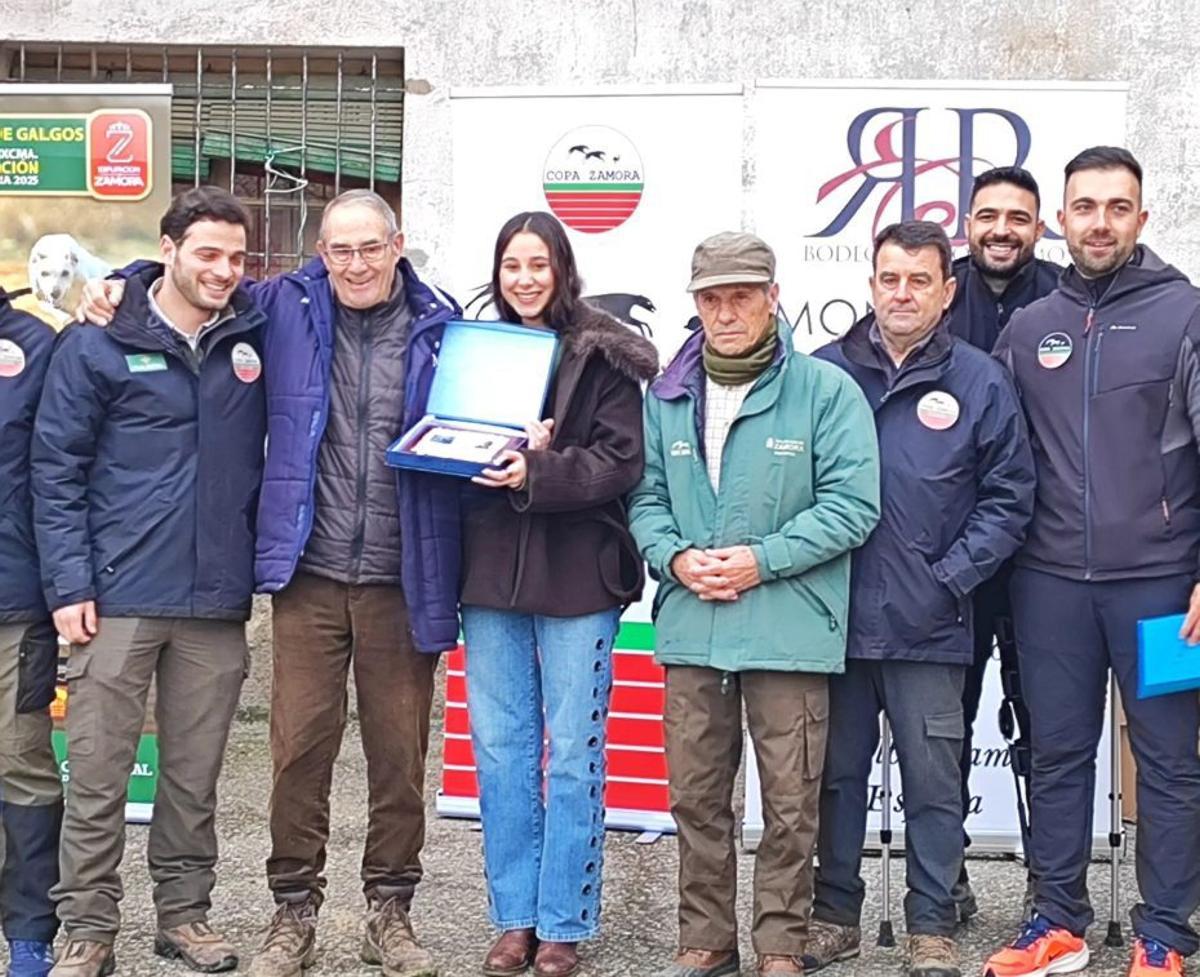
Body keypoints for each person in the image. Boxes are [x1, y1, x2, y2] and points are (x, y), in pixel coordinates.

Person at [80, 189, 462, 977]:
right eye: (338, 249)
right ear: (319, 253)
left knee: (399, 755)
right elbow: (191, 280)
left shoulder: (442, 325)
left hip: (402, 570)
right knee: (298, 752)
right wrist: (121, 275)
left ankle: (389, 911)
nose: (353, 264)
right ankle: (294, 912)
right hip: (308, 571)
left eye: (368, 247)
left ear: (398, 245)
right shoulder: (282, 305)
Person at [629, 231, 881, 977]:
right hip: (692, 625)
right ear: (695, 305)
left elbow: (852, 504)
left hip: (788, 628)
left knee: (791, 803)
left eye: (743, 295)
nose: (727, 311)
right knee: (696, 798)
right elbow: (642, 496)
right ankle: (706, 937)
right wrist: (673, 556)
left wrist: (759, 561)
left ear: (774, 298)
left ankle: (780, 944)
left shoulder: (827, 392)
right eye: (712, 298)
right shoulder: (669, 395)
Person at [32, 187, 264, 977]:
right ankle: (89, 927)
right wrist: (68, 584)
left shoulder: (253, 336)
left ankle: (185, 916)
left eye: (236, 257)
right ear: (167, 251)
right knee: (96, 774)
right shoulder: (97, 344)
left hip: (214, 599)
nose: (223, 270)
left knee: (194, 779)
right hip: (115, 595)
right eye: (206, 253)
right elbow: (54, 470)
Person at [983, 146, 1200, 977]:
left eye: (1118, 206)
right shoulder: (1028, 327)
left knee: (1171, 763)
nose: (1099, 221)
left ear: (1141, 218)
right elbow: (994, 455)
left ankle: (1166, 933)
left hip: (1161, 588)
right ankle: (1056, 918)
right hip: (1050, 590)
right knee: (1059, 753)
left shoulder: (1184, 314)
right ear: (1058, 221)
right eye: (1084, 206)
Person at [806, 221, 1035, 977]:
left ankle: (931, 923)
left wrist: (950, 578)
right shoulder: (825, 372)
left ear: (947, 290)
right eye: (889, 278)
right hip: (835, 623)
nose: (901, 293)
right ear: (870, 284)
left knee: (936, 784)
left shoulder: (979, 379)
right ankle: (834, 912)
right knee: (835, 779)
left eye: (918, 280)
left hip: (933, 624)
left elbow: (1009, 495)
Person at [459, 211, 657, 977]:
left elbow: (620, 461)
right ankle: (514, 919)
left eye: (538, 264)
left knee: (573, 752)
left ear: (563, 268)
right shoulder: (475, 349)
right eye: (512, 264)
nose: (525, 279)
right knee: (503, 751)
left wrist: (538, 468)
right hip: (490, 574)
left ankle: (564, 922)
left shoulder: (604, 354)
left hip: (578, 575)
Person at [945, 167, 1061, 918]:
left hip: (1045, 558)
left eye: (1017, 217)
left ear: (1039, 225)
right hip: (953, 560)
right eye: (988, 215)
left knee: (1047, 726)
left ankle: (1046, 886)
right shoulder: (938, 295)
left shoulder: (1065, 299)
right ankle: (944, 876)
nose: (1001, 229)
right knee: (944, 725)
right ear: (968, 222)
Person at [0, 286, 61, 977]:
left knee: (19, 757)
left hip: (14, 597)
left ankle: (30, 926)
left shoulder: (37, 344)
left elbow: (61, 467)